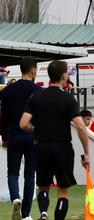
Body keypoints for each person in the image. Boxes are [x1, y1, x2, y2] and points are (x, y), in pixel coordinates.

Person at [19, 60, 90, 220]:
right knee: (63, 190)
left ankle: (44, 213)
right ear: (64, 75)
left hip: (42, 147)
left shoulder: (36, 97)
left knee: (43, 186)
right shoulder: (68, 99)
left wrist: (36, 129)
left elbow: (23, 123)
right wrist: (86, 153)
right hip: (63, 148)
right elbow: (80, 127)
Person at [0, 56, 41, 220]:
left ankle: (15, 198)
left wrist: (4, 136)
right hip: (32, 134)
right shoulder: (38, 91)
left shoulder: (8, 90)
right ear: (33, 70)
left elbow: (2, 116)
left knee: (13, 172)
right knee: (30, 174)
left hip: (14, 134)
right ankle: (26, 214)